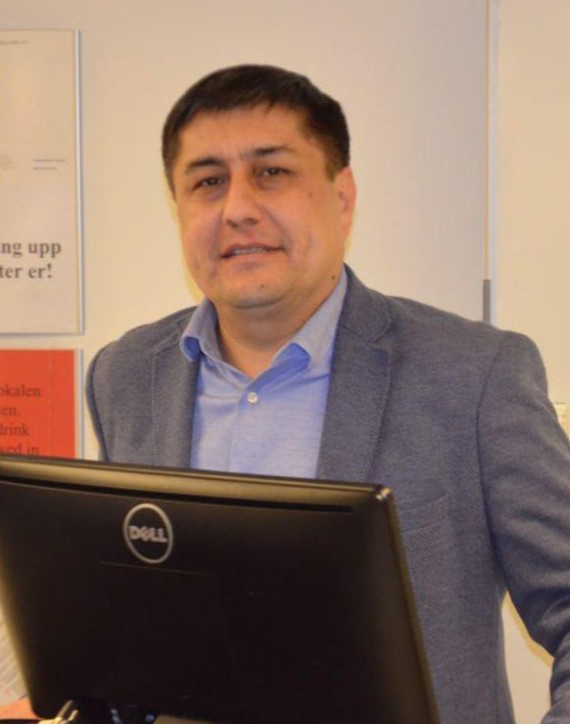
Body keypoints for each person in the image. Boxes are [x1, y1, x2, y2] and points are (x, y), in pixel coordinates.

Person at [86, 65, 570, 723]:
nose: (237, 209)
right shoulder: (125, 376)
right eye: (208, 182)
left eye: (271, 172)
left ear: (343, 198)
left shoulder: (476, 376)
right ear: (179, 209)